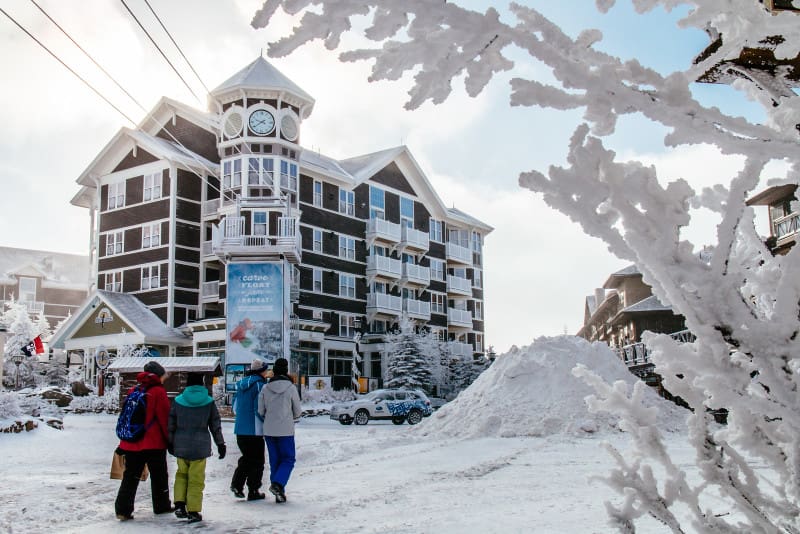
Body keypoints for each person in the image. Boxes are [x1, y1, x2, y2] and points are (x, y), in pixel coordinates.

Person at [114, 360, 173, 521]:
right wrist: (170, 440)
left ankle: (122, 510)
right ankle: (161, 506)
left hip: (132, 442)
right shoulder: (158, 392)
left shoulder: (135, 389)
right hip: (153, 443)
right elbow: (164, 418)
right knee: (159, 475)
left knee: (130, 476)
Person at [167, 373, 226, 524]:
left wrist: (170, 442)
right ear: (201, 384)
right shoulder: (208, 402)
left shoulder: (178, 401)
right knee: (196, 479)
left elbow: (171, 424)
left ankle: (179, 504)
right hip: (200, 446)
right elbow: (215, 425)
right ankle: (193, 511)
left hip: (181, 445)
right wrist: (220, 444)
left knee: (181, 475)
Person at [257, 357, 301, 503]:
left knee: (275, 460)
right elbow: (297, 411)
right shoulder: (291, 388)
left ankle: (278, 492)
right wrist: (292, 416)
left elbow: (260, 410)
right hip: (286, 430)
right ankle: (278, 484)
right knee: (288, 459)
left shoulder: (265, 388)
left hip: (269, 430)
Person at [230, 357, 271, 501]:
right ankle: (253, 490)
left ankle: (237, 484)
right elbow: (259, 409)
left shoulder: (240, 385)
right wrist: (266, 423)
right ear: (261, 371)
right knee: (258, 461)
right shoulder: (261, 386)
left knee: (247, 458)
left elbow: (234, 408)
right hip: (255, 430)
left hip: (240, 429)